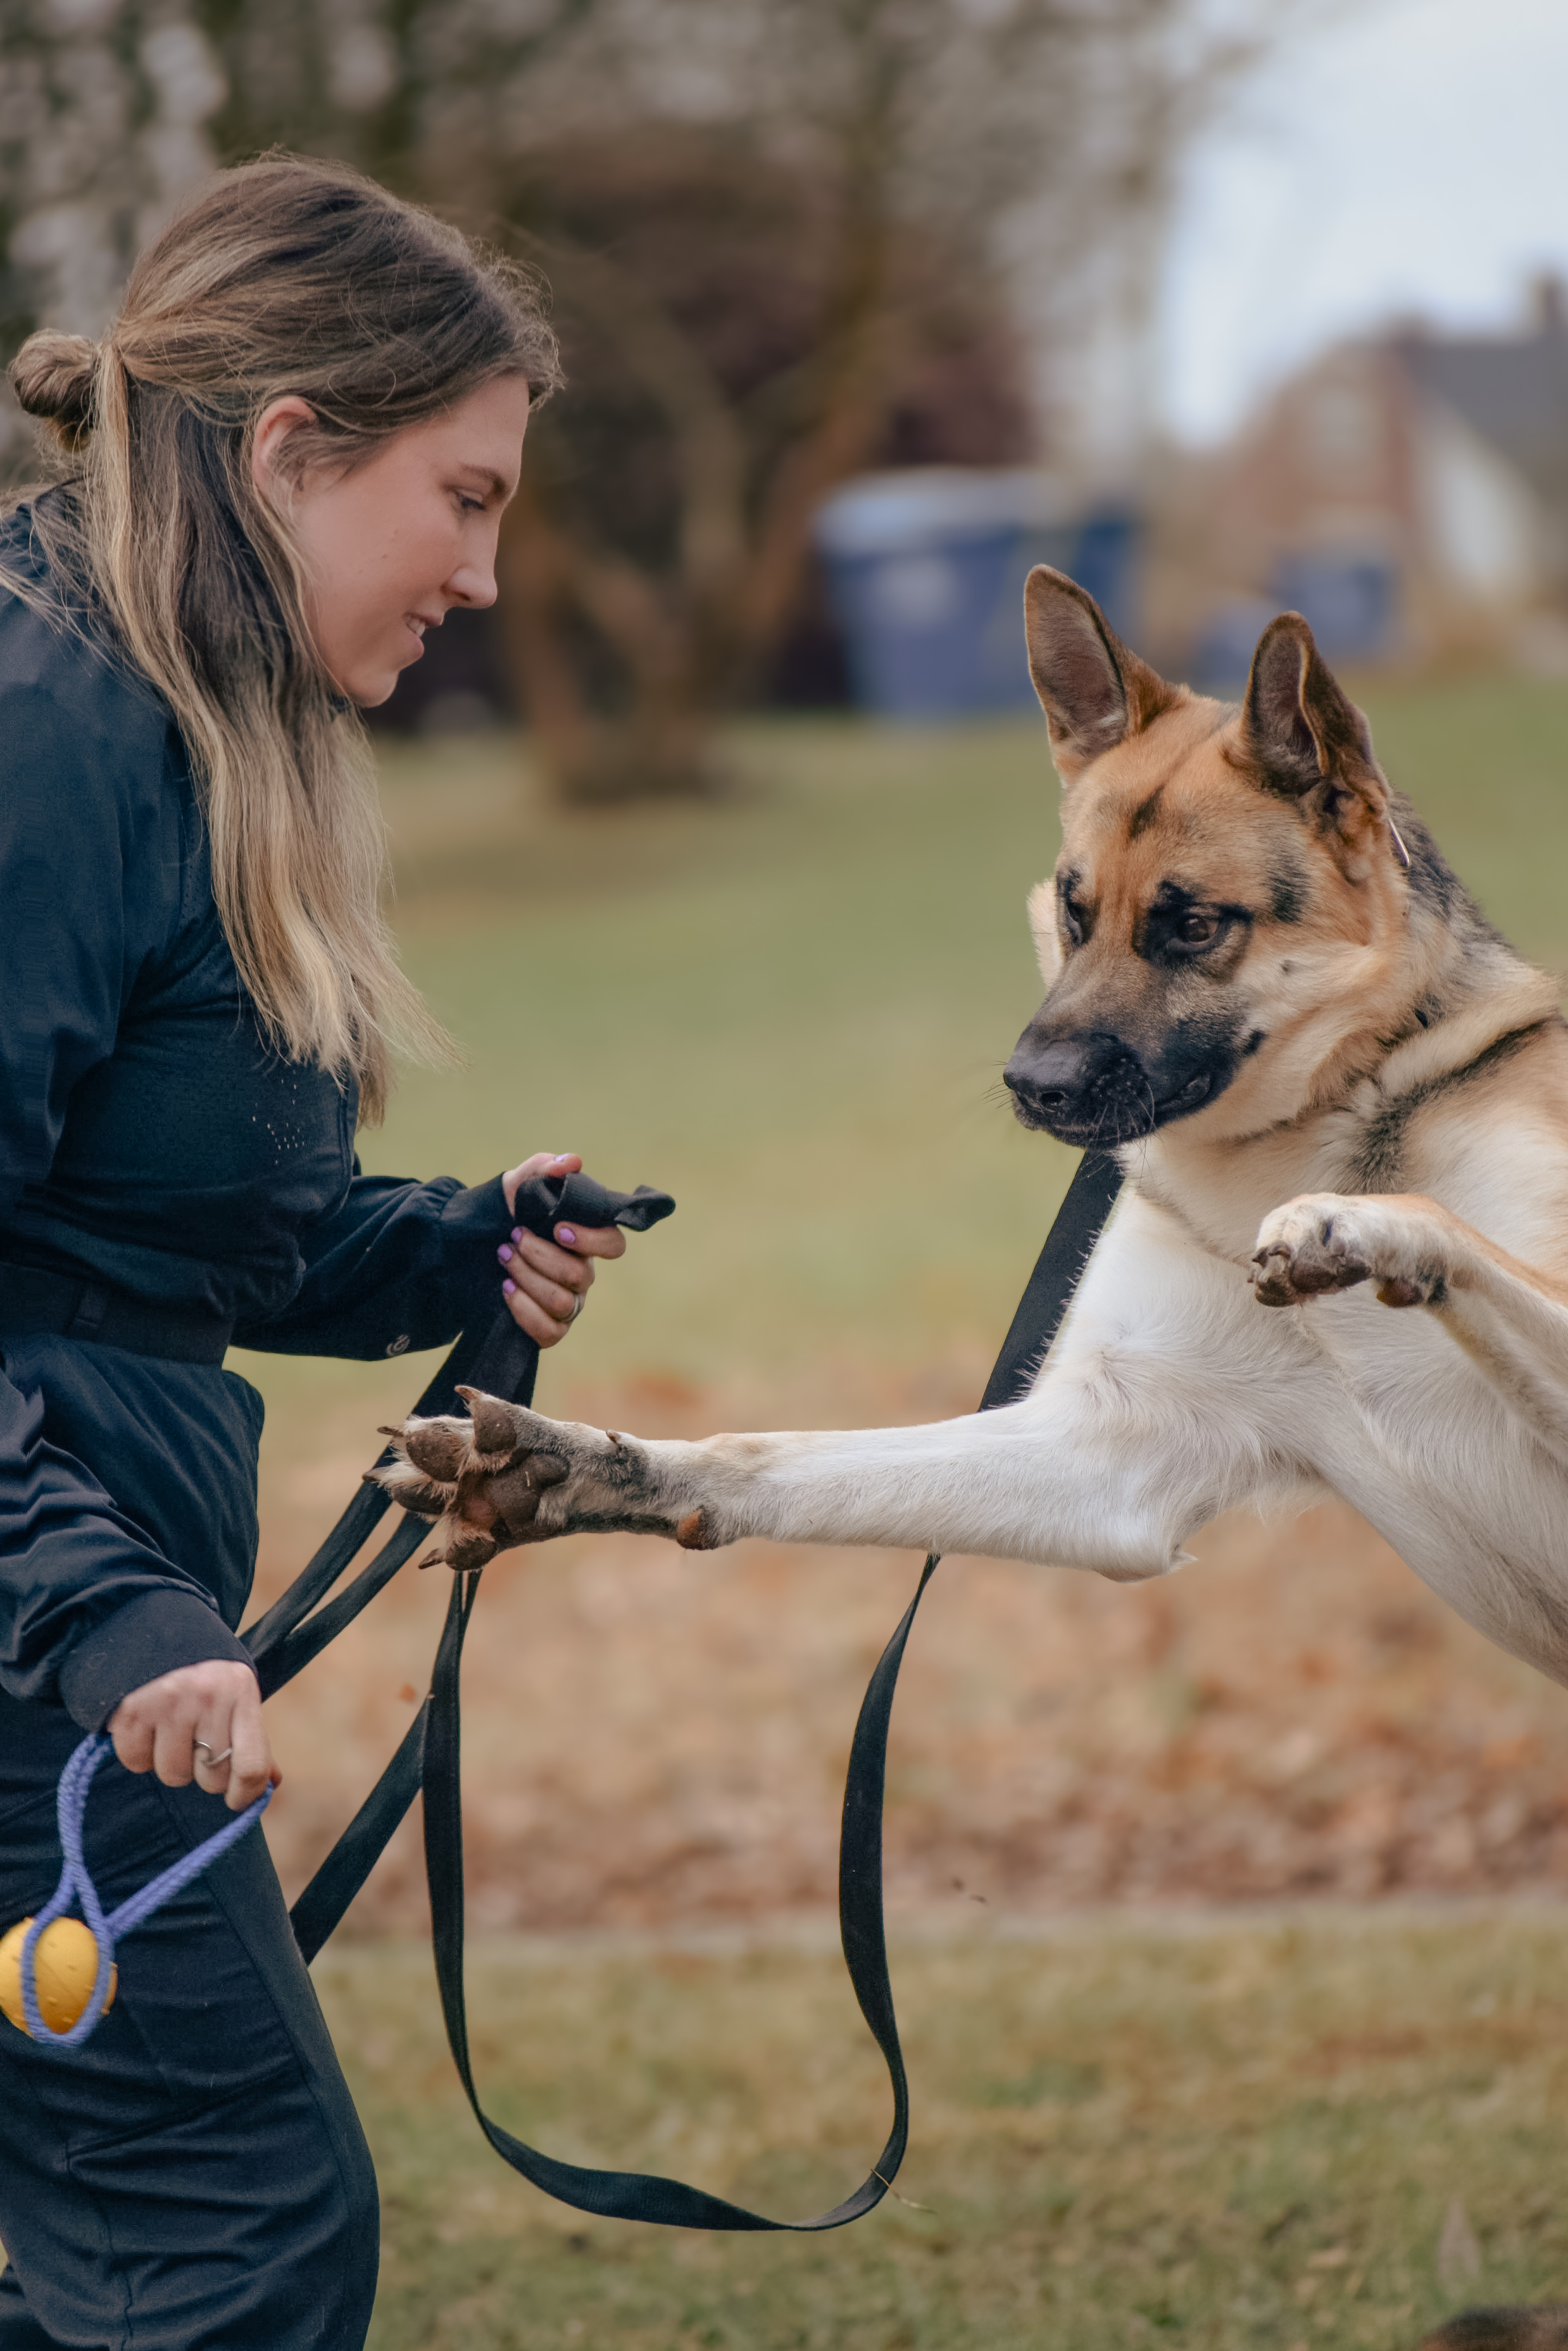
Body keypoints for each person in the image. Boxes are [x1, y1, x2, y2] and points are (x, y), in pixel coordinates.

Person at [0, 156, 627, 2350]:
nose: (482, 569)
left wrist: (450, 1249)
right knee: (233, 2245)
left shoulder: (169, 730)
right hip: (44, 1656)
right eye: (459, 498)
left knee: (156, 2256)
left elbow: (139, 1243)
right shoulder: (48, 733)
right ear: (290, 453)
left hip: (77, 1641)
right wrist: (86, 1611)